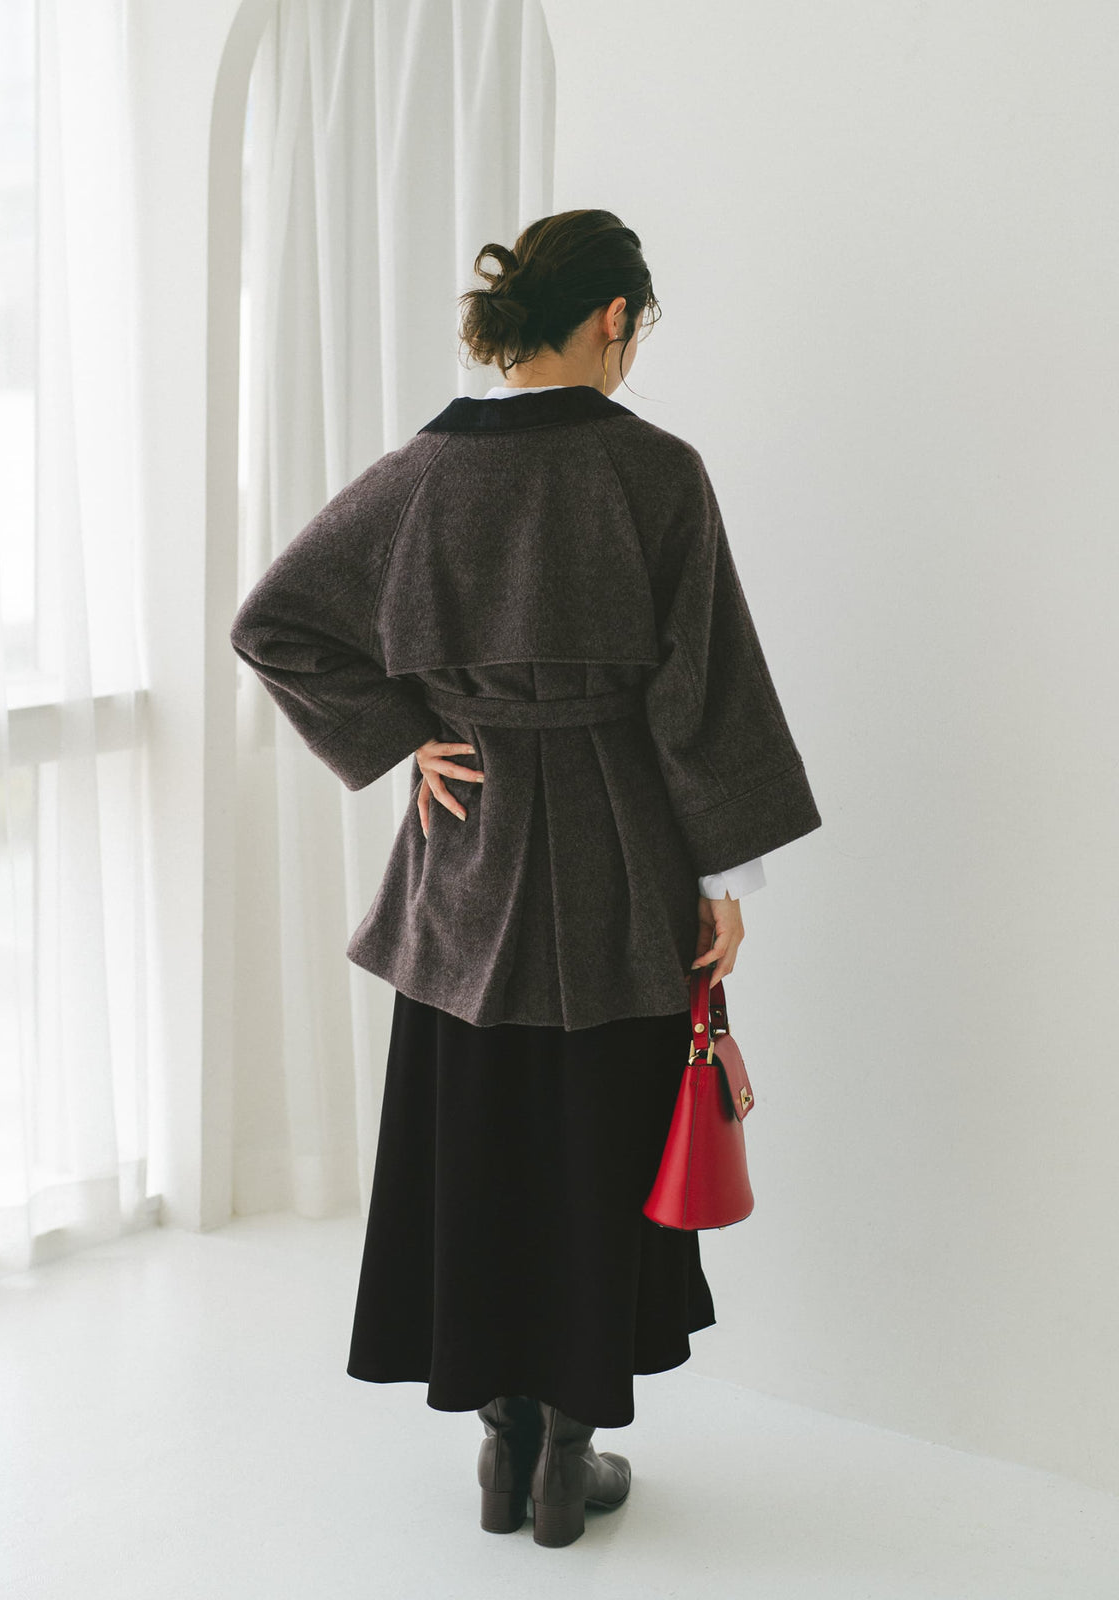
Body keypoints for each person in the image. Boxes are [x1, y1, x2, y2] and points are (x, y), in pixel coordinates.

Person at [228, 208, 822, 1548]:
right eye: (637, 329)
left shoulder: (420, 473)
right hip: (621, 860)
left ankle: (498, 1446)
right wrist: (722, 876)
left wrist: (404, 737)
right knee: (597, 1143)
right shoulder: (657, 472)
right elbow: (701, 690)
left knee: (479, 1140)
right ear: (613, 318)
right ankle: (567, 1454)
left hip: (467, 864)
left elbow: (273, 621)